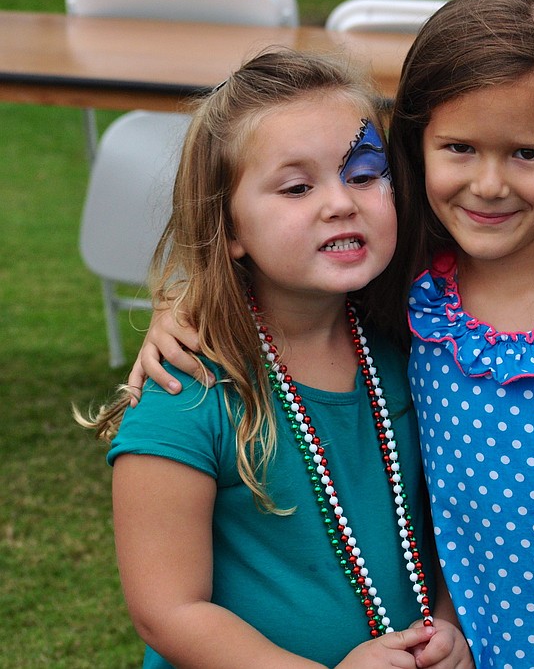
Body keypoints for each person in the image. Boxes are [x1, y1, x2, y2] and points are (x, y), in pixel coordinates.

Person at [129, 0, 534, 669]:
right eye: (460, 147)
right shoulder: (408, 301)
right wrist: (190, 300)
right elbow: (280, 270)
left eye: (527, 153)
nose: (490, 184)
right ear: (419, 148)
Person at [76, 47, 472, 669]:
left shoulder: (418, 347)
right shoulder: (188, 387)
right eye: (296, 187)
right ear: (229, 227)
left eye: (365, 173)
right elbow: (167, 609)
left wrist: (449, 626)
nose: (341, 202)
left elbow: (453, 528)